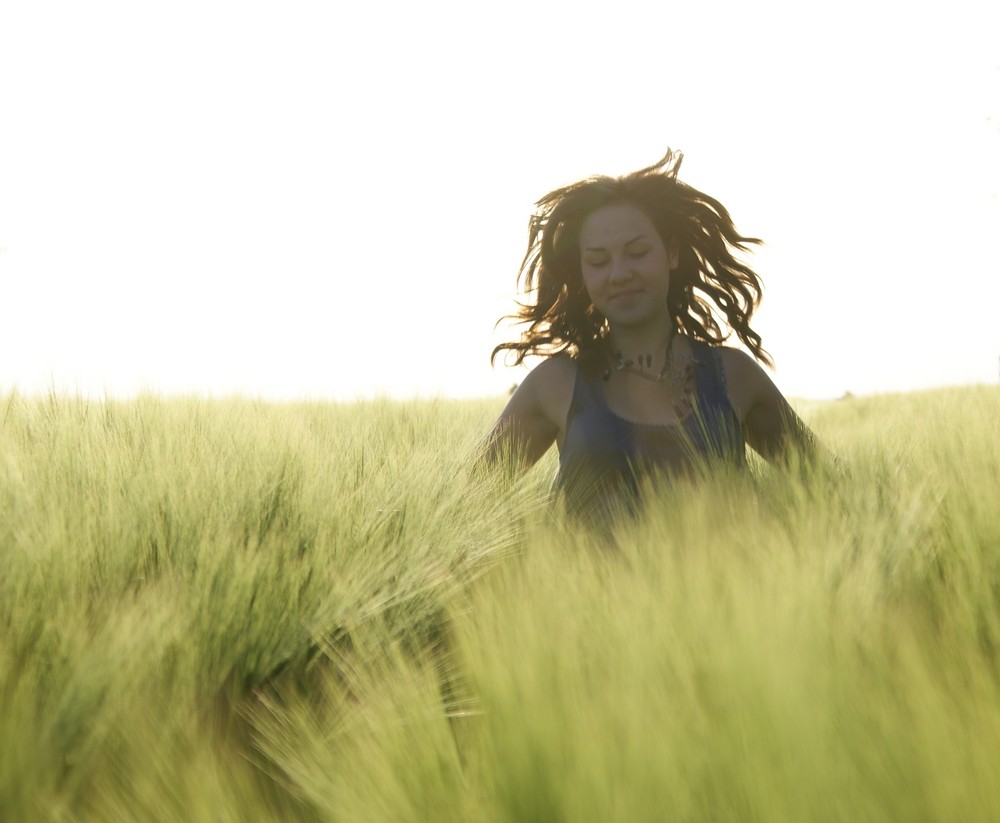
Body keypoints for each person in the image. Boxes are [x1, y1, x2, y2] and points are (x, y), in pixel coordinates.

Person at [484, 149, 819, 521]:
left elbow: (829, 483)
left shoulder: (733, 376)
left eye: (638, 252)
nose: (619, 273)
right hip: (589, 581)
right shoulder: (554, 385)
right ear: (582, 272)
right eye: (598, 261)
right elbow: (469, 505)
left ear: (671, 252)